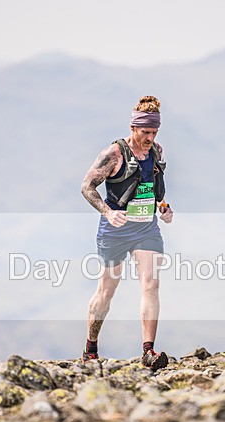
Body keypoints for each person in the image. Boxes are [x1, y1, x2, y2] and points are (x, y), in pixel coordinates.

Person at [80, 95, 174, 370]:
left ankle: (148, 351)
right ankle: (90, 348)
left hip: (146, 228)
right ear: (133, 127)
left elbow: (154, 188)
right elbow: (87, 187)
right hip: (115, 231)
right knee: (106, 291)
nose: (150, 138)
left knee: (151, 284)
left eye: (154, 132)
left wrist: (164, 207)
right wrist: (108, 212)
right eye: (145, 132)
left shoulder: (157, 151)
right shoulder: (114, 154)